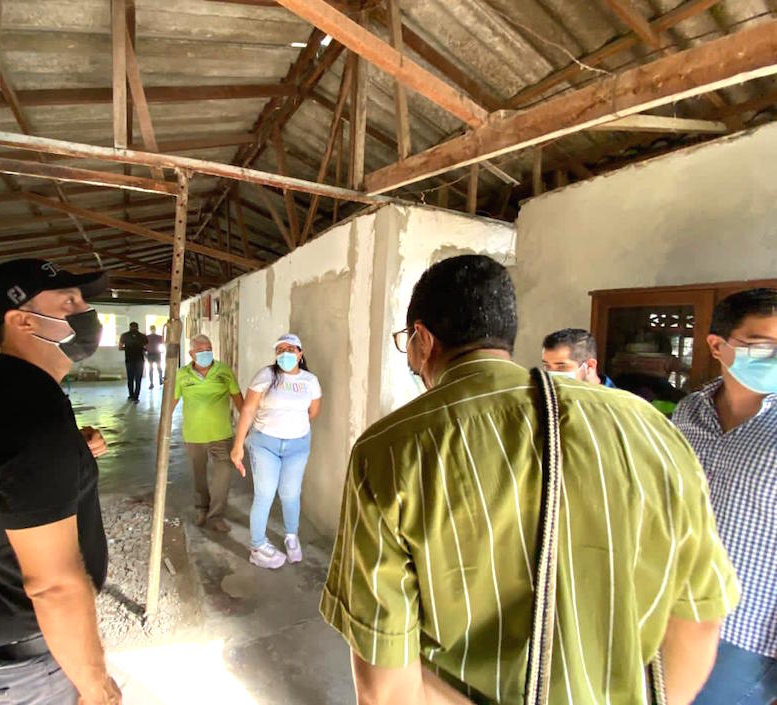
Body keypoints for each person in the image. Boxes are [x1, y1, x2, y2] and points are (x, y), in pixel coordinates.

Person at [320, 255, 739, 705]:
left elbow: (386, 692)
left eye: (407, 342)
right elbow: (700, 622)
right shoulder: (651, 428)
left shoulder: (391, 449)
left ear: (423, 340)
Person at [0, 259, 120, 705]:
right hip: (33, 669)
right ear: (23, 320)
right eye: (69, 301)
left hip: (16, 649)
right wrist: (97, 688)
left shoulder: (13, 396)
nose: (85, 311)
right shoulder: (27, 417)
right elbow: (54, 586)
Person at [673, 287, 777, 705]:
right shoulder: (689, 412)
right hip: (675, 609)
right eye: (761, 345)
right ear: (717, 345)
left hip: (748, 633)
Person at [231, 334, 321, 570]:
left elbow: (312, 412)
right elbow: (248, 410)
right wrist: (238, 444)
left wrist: (291, 427)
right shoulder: (266, 375)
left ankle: (291, 536)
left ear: (300, 354)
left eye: (290, 349)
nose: (285, 354)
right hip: (265, 443)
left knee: (291, 494)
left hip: (297, 446)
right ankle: (258, 547)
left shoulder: (310, 381)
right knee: (265, 494)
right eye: (280, 350)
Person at [173, 334, 243, 533]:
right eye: (201, 350)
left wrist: (246, 427)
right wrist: (163, 429)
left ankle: (216, 515)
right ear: (191, 353)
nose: (206, 353)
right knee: (199, 475)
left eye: (209, 349)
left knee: (224, 473)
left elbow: (239, 400)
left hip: (221, 434)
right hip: (194, 435)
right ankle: (201, 508)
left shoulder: (224, 371)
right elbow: (172, 402)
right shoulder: (182, 375)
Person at [541, 327, 616, 386]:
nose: (551, 374)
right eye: (547, 366)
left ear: (590, 366)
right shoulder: (548, 398)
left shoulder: (618, 403)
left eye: (562, 367)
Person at [118, 321, 148, 401]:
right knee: (138, 379)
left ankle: (131, 395)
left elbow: (120, 347)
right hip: (140, 360)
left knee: (130, 378)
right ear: (137, 327)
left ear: (130, 327)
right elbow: (146, 348)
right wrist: (140, 348)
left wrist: (127, 348)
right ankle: (136, 396)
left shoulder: (124, 336)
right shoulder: (142, 336)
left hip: (129, 360)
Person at [145, 325, 164, 389]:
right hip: (154, 353)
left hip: (154, 353)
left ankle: (157, 381)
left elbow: (163, 343)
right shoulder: (149, 337)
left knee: (155, 369)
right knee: (154, 369)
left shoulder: (148, 337)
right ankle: (157, 381)